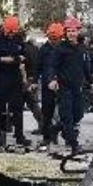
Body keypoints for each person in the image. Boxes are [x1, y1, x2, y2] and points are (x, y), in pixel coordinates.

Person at [0, 16, 31, 148]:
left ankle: (19, 136)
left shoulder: (18, 39)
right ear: (4, 29)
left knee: (17, 109)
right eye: (9, 32)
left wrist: (20, 58)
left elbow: (25, 54)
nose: (11, 34)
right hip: (0, 79)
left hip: (15, 79)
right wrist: (2, 60)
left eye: (13, 32)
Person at [45, 17, 85, 155]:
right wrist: (51, 79)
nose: (72, 34)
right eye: (69, 31)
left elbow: (85, 66)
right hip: (64, 87)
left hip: (77, 87)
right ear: (65, 32)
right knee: (67, 116)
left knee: (78, 114)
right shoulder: (60, 49)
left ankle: (56, 129)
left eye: (74, 31)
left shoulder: (81, 48)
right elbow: (52, 66)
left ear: (78, 32)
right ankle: (74, 144)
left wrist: (91, 81)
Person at [38, 22, 64, 148]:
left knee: (65, 111)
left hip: (63, 83)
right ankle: (46, 137)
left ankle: (63, 133)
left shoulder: (64, 48)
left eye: (56, 39)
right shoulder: (43, 49)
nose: (53, 41)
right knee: (47, 112)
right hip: (47, 84)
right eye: (51, 39)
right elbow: (38, 66)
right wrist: (33, 81)